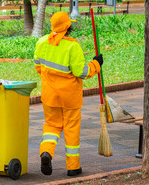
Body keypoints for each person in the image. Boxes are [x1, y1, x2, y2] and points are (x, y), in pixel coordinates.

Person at [33, 11, 103, 176]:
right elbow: (81, 72)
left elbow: (38, 66)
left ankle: (47, 153)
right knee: (71, 130)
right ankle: (73, 167)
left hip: (50, 96)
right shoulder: (73, 46)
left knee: (51, 126)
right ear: (68, 27)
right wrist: (96, 64)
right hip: (70, 97)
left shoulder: (42, 42)